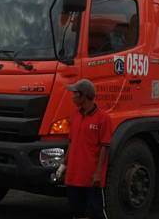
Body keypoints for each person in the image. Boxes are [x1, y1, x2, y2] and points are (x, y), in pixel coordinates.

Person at [56, 79, 112, 219]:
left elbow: (105, 146)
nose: (72, 96)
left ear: (84, 96)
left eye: (75, 93)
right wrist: (63, 165)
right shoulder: (75, 115)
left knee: (97, 212)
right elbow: (71, 142)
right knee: (77, 212)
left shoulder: (103, 118)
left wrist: (98, 173)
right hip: (74, 176)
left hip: (91, 177)